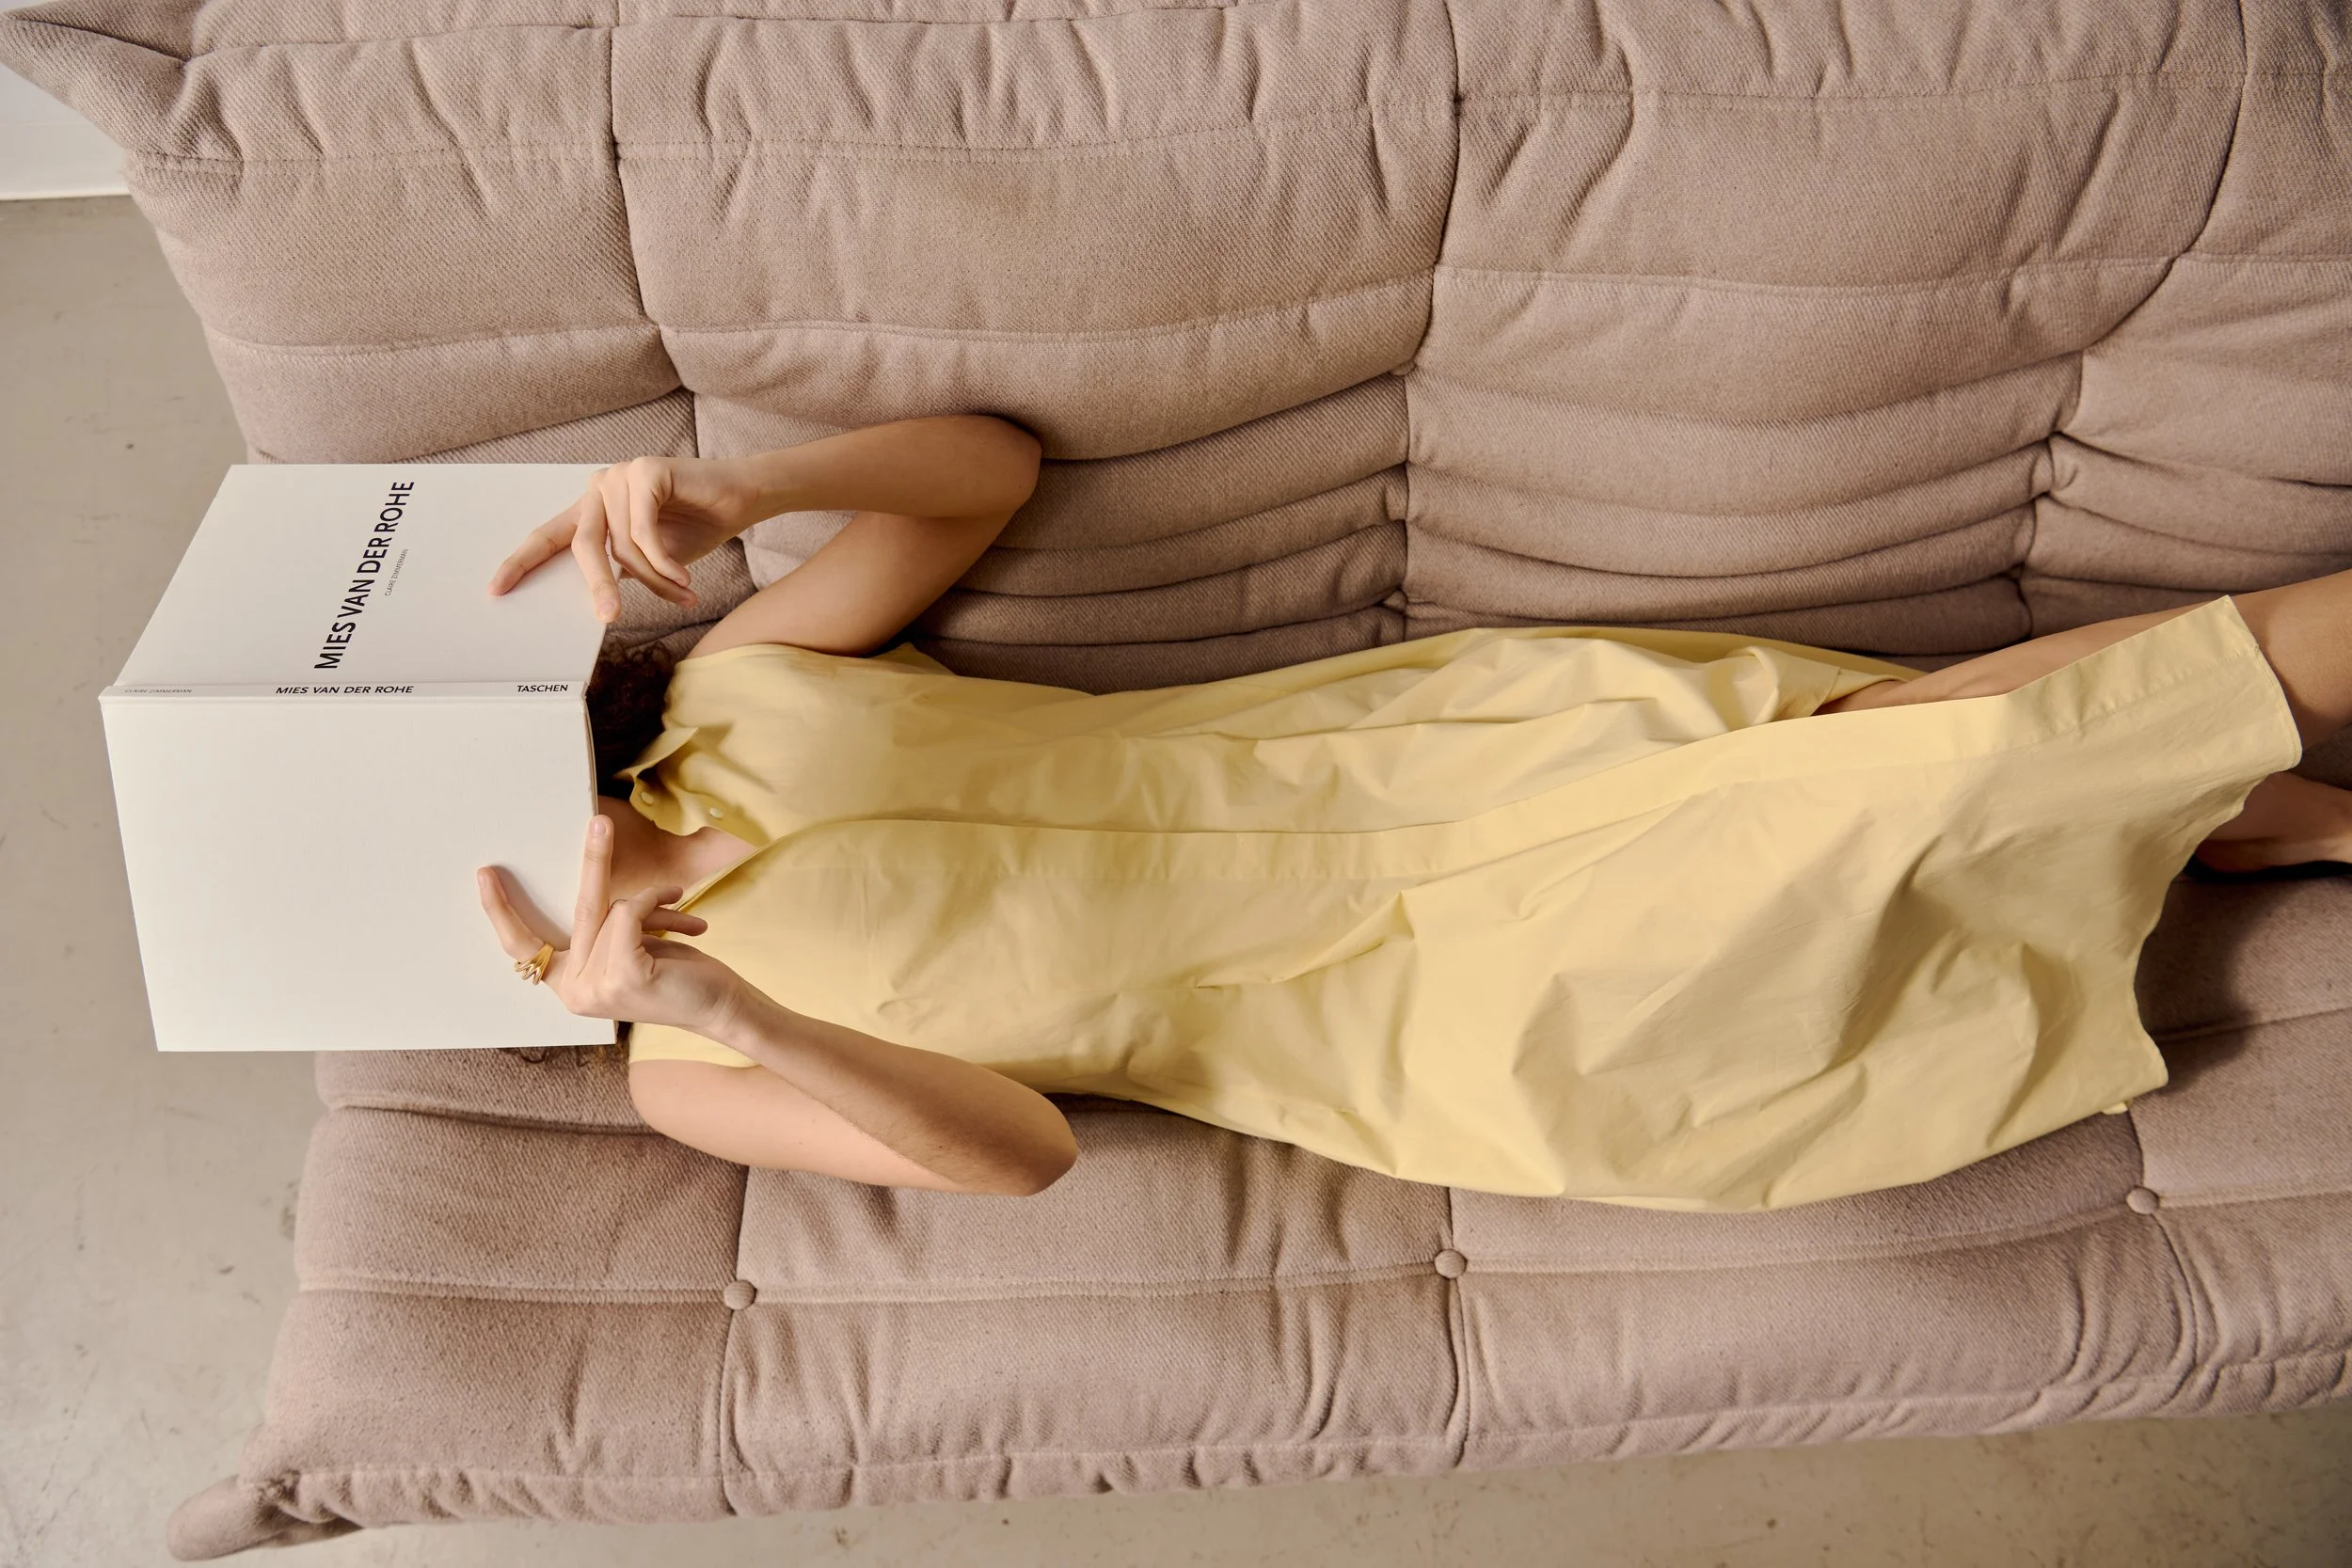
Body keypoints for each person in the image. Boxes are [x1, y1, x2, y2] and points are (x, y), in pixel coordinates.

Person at [474, 416, 2352, 1209]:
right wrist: (730, 1007)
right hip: (1447, 1005)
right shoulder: (680, 1065)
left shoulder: (728, 690)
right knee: (1934, 761)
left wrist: (749, 488)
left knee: (1899, 747)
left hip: (1443, 752)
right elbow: (1017, 1155)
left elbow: (986, 472)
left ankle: (2257, 817)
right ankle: (2248, 802)